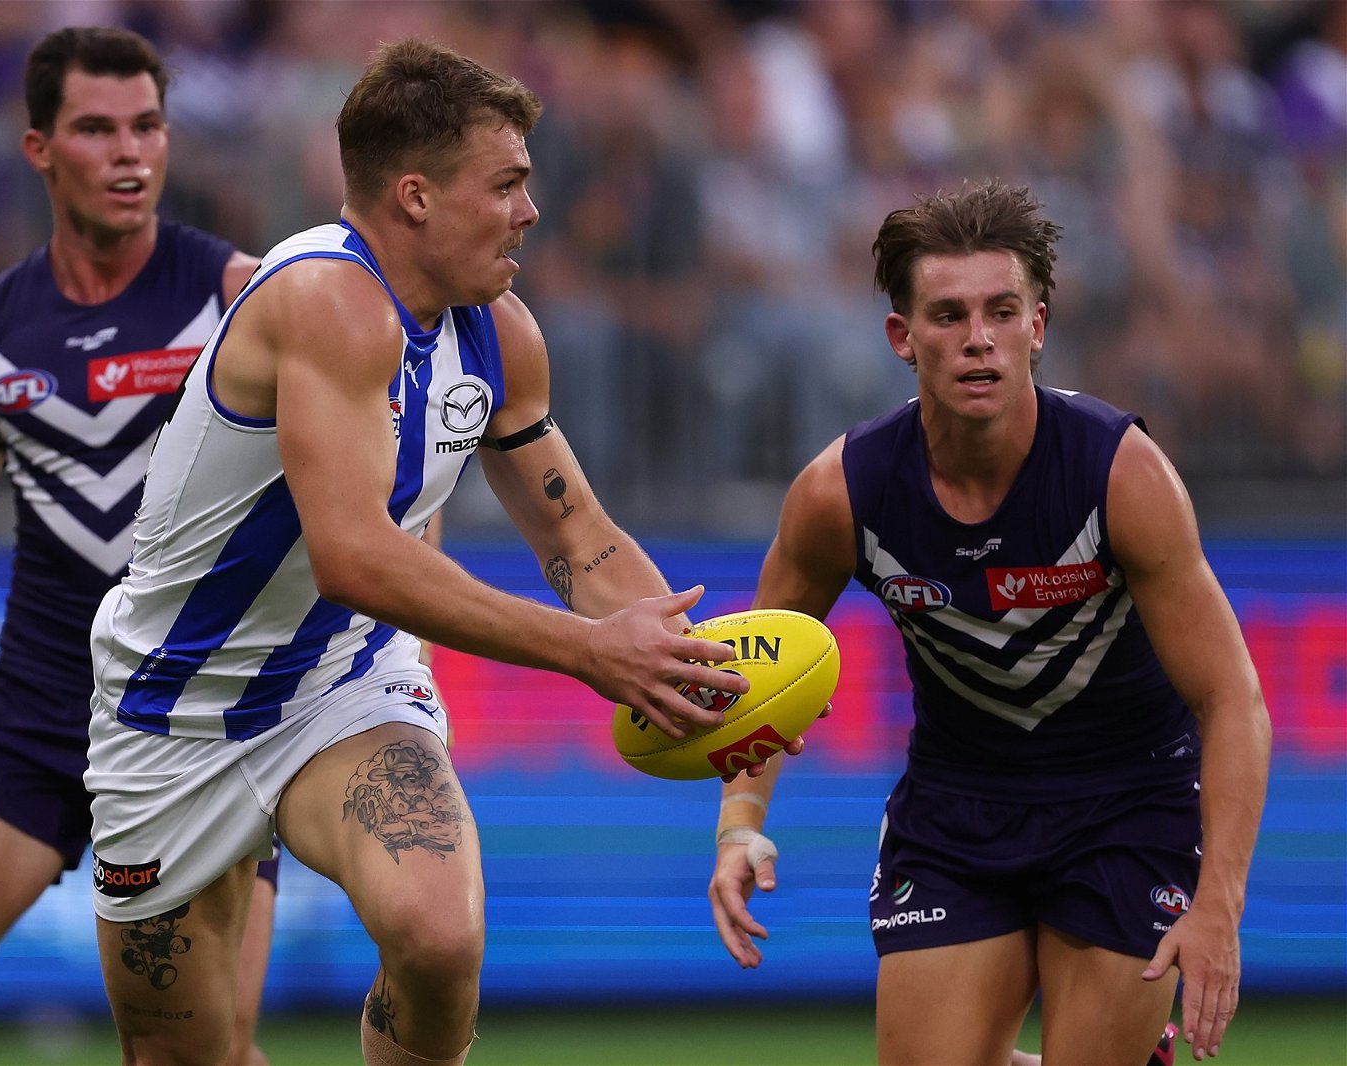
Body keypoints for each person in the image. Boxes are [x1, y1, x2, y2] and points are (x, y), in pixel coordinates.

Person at [85, 37, 765, 1066]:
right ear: (414, 197)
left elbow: (578, 535)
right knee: (181, 1056)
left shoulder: (500, 332)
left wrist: (704, 672)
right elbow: (356, 556)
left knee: (440, 937)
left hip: (340, 685)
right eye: (506, 184)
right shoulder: (323, 301)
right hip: (169, 710)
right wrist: (589, 654)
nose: (531, 211)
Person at [706, 180, 1270, 1066]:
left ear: (1037, 326)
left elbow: (1231, 696)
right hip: (956, 811)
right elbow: (762, 673)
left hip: (1129, 804)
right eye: (949, 315)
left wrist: (1219, 908)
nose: (978, 340)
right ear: (903, 337)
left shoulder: (1121, 473)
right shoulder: (839, 494)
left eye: (1002, 312)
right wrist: (740, 824)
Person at [0, 27, 281, 1066]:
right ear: (38, 149)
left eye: (148, 126)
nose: (129, 153)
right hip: (35, 717)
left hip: (196, 737)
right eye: (96, 129)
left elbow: (351, 492)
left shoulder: (242, 300)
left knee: (194, 1057)